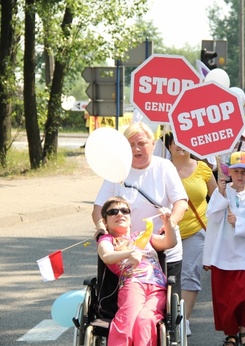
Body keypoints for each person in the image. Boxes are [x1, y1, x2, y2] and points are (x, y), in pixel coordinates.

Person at [92, 122, 188, 297]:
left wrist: (170, 223)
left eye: (142, 143)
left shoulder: (164, 167)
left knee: (166, 304)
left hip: (162, 248)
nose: (137, 149)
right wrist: (101, 228)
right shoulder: (118, 171)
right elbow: (98, 207)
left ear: (152, 144)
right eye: (131, 144)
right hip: (126, 252)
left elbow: (181, 202)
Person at [203, 152, 245, 346]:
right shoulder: (222, 191)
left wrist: (239, 222)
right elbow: (212, 216)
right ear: (229, 172)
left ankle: (244, 330)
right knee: (225, 299)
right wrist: (220, 195)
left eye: (244, 172)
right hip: (223, 255)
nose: (240, 176)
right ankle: (231, 333)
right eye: (236, 171)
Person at [97, 196, 176, 345]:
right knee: (128, 319)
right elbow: (107, 256)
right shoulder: (108, 240)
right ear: (106, 222)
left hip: (157, 286)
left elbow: (169, 242)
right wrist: (129, 253)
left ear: (130, 219)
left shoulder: (141, 236)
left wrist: (168, 221)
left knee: (146, 320)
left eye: (124, 210)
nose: (119, 214)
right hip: (133, 283)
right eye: (113, 211)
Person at [164, 132, 217, 337]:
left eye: (185, 140)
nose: (180, 145)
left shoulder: (203, 168)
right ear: (168, 145)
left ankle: (182, 321)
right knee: (166, 277)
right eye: (175, 141)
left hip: (196, 232)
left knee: (189, 276)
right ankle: (165, 317)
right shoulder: (160, 169)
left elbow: (218, 197)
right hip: (167, 232)